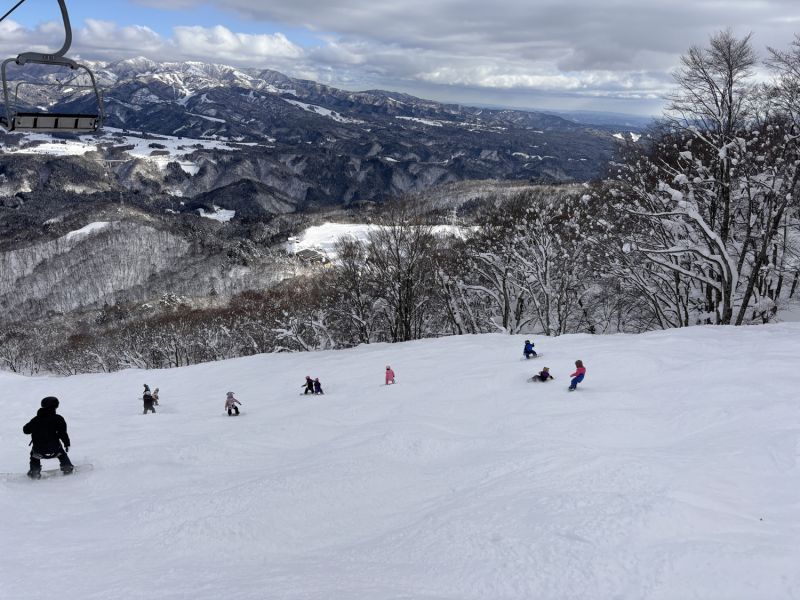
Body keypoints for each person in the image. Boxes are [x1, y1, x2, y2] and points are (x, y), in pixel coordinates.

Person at [23, 396, 73, 478]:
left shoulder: (36, 420)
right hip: (55, 450)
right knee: (62, 454)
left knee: (34, 456)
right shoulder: (58, 419)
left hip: (39, 451)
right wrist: (67, 444)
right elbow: (62, 433)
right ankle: (67, 467)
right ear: (56, 406)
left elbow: (25, 430)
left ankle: (35, 471)